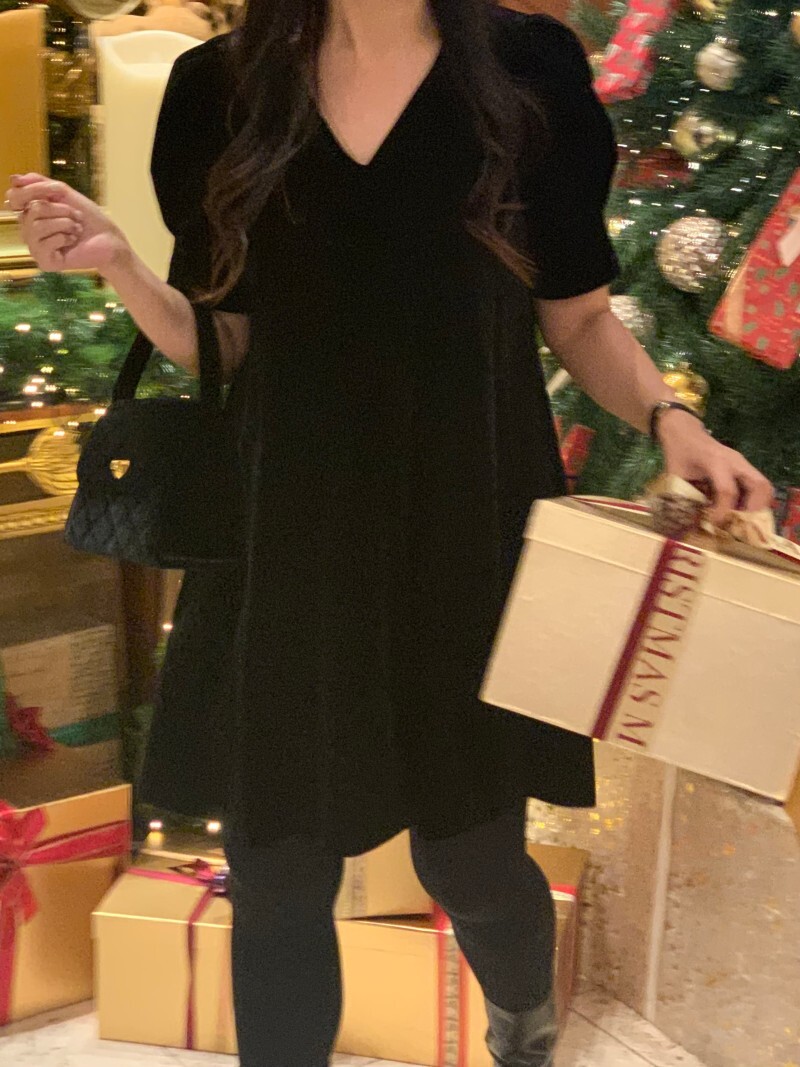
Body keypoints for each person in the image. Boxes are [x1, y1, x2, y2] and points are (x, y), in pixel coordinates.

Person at [5, 1, 773, 1064]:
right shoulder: (221, 86)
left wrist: (672, 420)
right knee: (277, 869)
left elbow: (581, 318)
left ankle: (523, 1029)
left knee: (473, 856)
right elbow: (224, 342)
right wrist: (123, 269)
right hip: (287, 535)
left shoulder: (528, 68)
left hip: (467, 529)